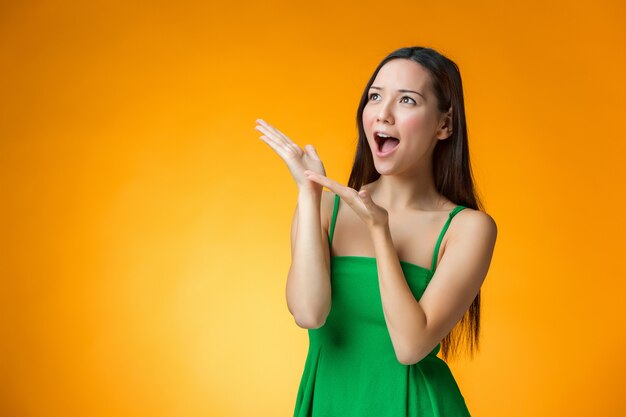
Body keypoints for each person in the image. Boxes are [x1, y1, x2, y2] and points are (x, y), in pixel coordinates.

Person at [255, 46, 497, 417]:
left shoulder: (467, 228)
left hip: (413, 406)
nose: (383, 113)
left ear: (444, 124)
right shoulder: (324, 209)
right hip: (331, 404)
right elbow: (308, 313)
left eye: (407, 100)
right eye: (375, 96)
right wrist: (307, 193)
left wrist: (380, 231)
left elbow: (410, 346)